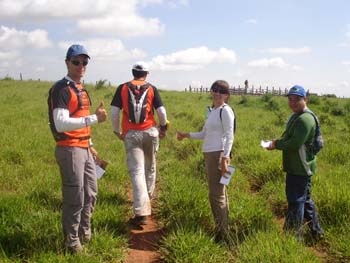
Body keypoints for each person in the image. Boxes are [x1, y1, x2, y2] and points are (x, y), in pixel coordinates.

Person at [48, 44, 107, 253]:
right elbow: (61, 123)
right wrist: (94, 118)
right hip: (69, 148)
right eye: (76, 62)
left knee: (91, 192)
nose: (81, 66)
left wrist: (90, 144)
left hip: (84, 147)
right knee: (75, 196)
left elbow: (80, 120)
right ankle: (71, 242)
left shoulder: (81, 88)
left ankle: (85, 231)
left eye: (84, 62)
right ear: (67, 63)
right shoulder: (61, 89)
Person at [110, 61, 168, 229]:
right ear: (146, 74)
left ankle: (141, 212)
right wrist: (163, 127)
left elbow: (114, 111)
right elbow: (162, 112)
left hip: (132, 134)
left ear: (132, 72)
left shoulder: (122, 88)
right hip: (150, 132)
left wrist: (117, 130)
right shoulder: (152, 88)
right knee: (150, 168)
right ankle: (147, 199)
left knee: (137, 171)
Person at [177, 80, 235, 242]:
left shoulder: (226, 111)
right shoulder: (212, 111)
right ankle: (224, 228)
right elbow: (203, 134)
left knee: (216, 195)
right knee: (220, 193)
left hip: (218, 155)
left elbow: (230, 136)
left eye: (221, 91)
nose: (217, 93)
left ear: (227, 95)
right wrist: (186, 134)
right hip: (210, 153)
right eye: (214, 90)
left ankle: (222, 233)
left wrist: (225, 157)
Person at [266, 85, 324, 241]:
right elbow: (288, 138)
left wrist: (275, 144)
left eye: (297, 99)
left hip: (300, 167)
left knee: (295, 201)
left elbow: (294, 143)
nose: (292, 102)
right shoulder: (296, 115)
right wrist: (277, 142)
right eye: (290, 99)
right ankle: (316, 232)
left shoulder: (305, 119)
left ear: (305, 99)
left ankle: (292, 236)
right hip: (298, 166)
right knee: (305, 200)